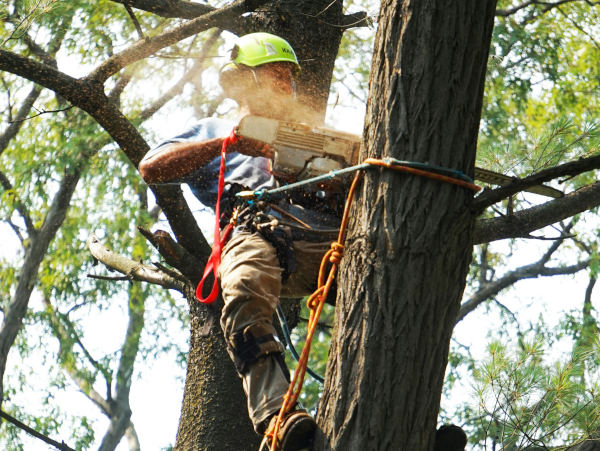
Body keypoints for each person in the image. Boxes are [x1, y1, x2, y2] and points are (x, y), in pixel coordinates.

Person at [139, 32, 342, 450]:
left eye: (290, 76)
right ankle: (278, 418)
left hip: (326, 238)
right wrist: (229, 143)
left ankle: (394, 421)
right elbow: (151, 167)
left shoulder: (310, 132)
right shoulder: (213, 130)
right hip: (257, 231)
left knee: (388, 277)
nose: (286, 83)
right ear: (242, 81)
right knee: (245, 284)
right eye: (275, 74)